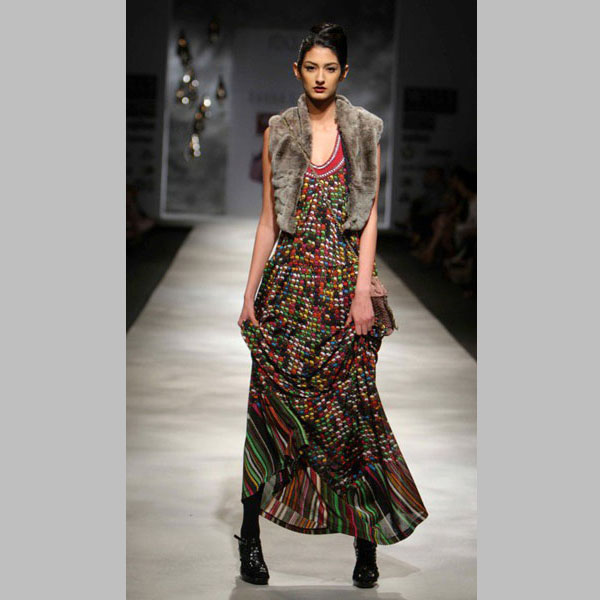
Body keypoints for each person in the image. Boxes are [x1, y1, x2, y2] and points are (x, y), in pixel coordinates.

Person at [235, 23, 428, 588]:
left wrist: (364, 290)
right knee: (269, 412)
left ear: (344, 72)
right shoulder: (279, 131)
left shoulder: (364, 130)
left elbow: (368, 220)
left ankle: (366, 544)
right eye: (311, 67)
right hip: (289, 292)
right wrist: (249, 293)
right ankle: (249, 535)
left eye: (330, 68)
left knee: (353, 418)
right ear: (297, 71)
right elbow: (269, 220)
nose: (320, 77)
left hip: (344, 291)